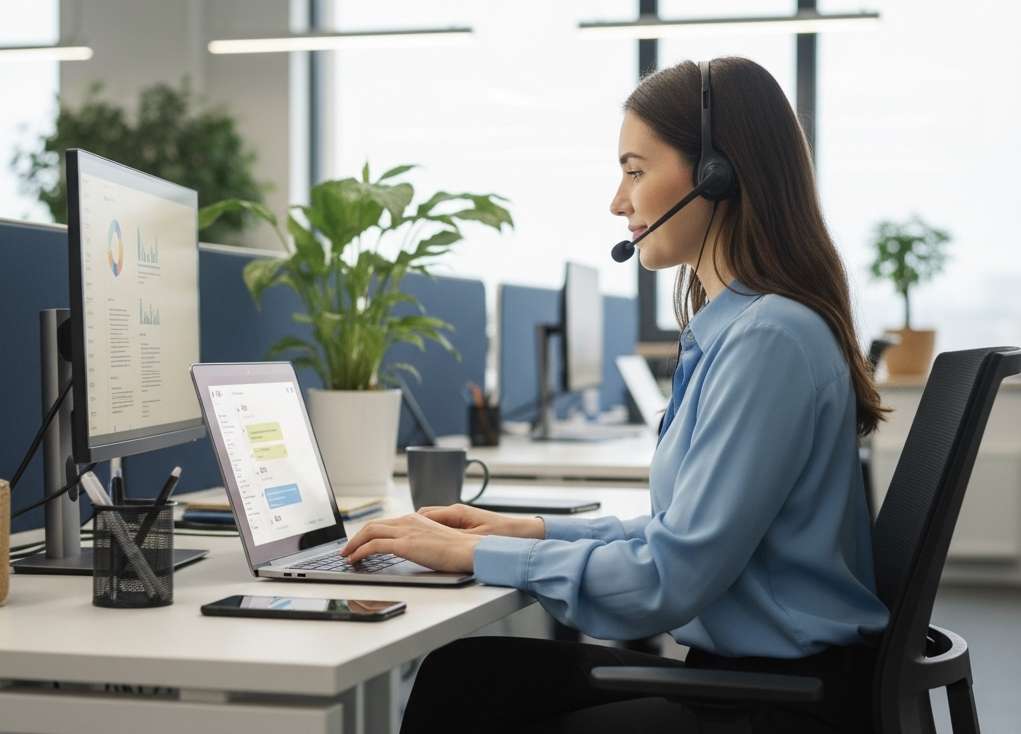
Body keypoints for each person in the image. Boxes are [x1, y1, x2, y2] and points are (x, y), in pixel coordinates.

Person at [341, 56, 890, 733]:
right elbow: (678, 532)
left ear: (717, 173)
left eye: (635, 170)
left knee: (467, 689)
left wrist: (473, 554)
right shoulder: (738, 331)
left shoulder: (767, 338)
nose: (617, 200)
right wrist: (519, 528)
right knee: (469, 675)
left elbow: (669, 576)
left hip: (776, 704)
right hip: (756, 680)